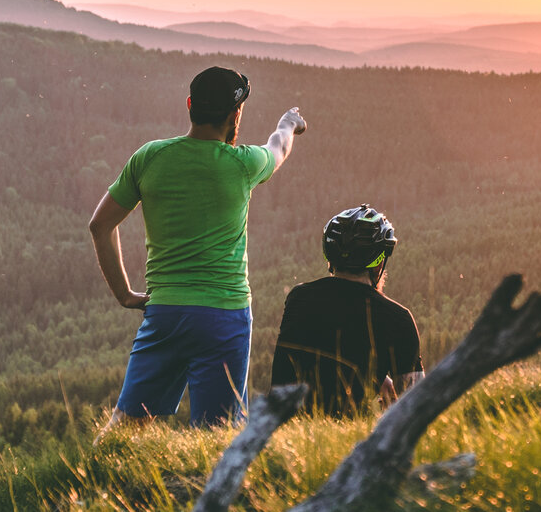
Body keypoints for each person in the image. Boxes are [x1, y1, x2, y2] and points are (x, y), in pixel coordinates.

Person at [87, 65, 306, 427]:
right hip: (225, 314)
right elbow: (279, 146)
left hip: (165, 311)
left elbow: (100, 225)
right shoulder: (243, 164)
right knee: (217, 435)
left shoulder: (150, 157)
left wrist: (124, 294)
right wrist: (289, 123)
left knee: (126, 429)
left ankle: (90, 480)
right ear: (235, 114)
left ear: (190, 104)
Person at [271, 204, 425, 417]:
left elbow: (330, 352)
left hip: (281, 431)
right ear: (379, 265)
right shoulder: (398, 320)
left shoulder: (299, 298)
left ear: (330, 259)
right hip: (348, 443)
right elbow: (417, 407)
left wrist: (378, 377)